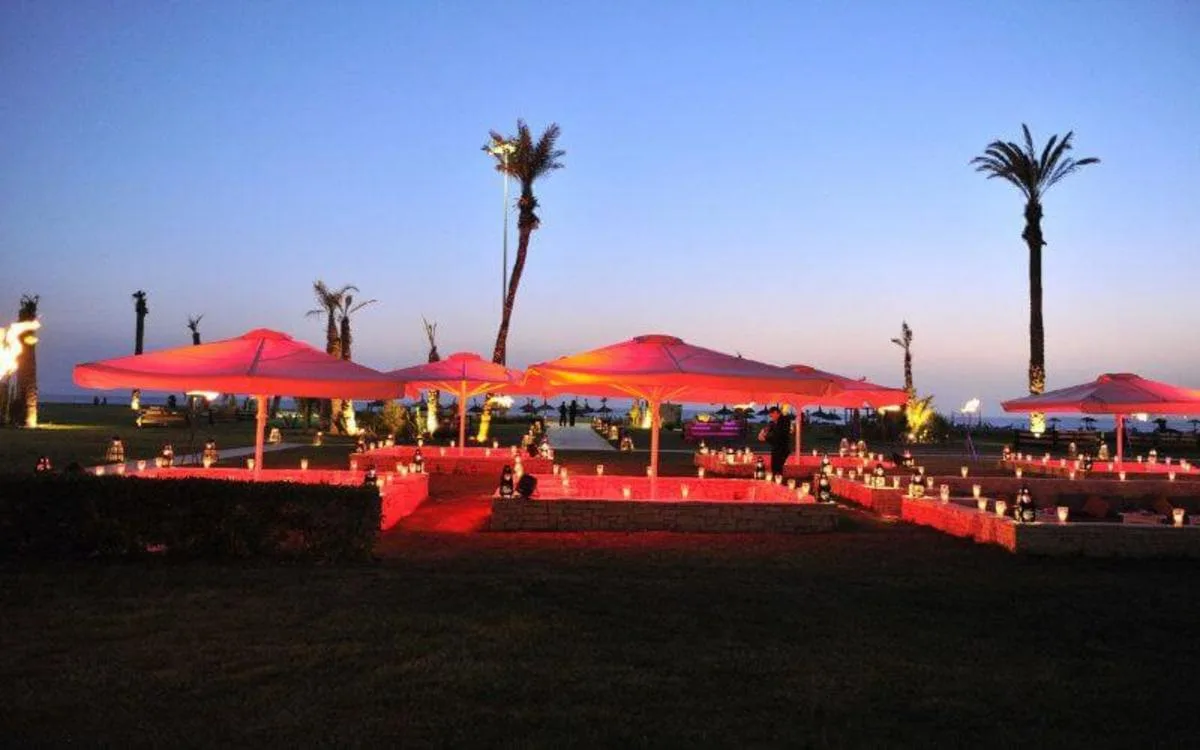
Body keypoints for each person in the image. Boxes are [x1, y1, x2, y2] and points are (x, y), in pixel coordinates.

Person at [758, 406, 793, 478]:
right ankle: (776, 480)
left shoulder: (785, 420)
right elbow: (767, 429)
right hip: (776, 448)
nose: (771, 417)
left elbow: (778, 435)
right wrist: (762, 433)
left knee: (777, 467)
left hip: (783, 448)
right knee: (774, 467)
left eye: (771, 416)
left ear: (776, 413)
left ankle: (778, 481)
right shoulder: (773, 422)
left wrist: (765, 438)